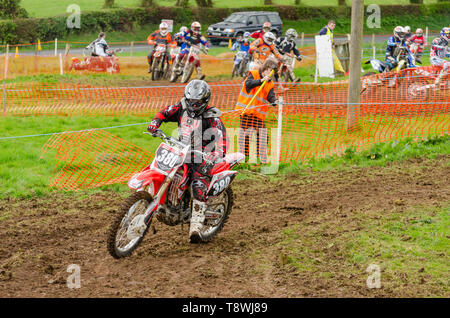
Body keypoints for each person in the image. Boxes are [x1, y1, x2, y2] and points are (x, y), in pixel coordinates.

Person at [146, 80, 228, 243]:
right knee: (159, 168)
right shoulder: (181, 106)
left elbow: (222, 137)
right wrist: (155, 122)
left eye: (196, 102)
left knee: (198, 184)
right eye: (190, 100)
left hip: (202, 155)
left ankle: (196, 227)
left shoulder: (212, 117)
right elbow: (165, 113)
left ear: (204, 101)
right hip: (180, 148)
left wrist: (218, 152)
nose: (192, 104)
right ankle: (150, 200)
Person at [235, 58, 279, 165]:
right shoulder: (253, 74)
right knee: (246, 136)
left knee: (263, 136)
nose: (271, 75)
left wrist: (275, 101)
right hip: (246, 111)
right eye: (270, 71)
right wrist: (261, 81)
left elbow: (270, 95)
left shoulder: (270, 83)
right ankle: (243, 158)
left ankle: (260, 158)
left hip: (258, 115)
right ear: (266, 68)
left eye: (273, 73)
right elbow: (248, 84)